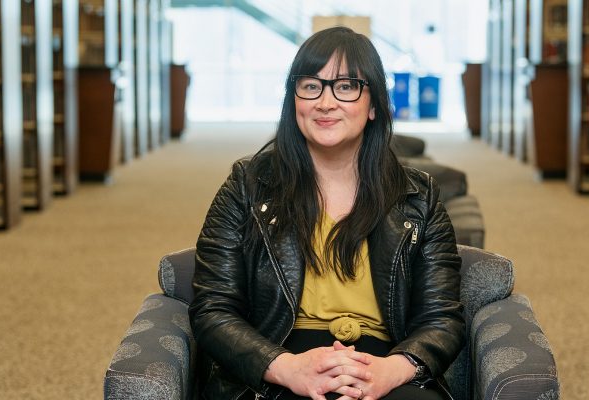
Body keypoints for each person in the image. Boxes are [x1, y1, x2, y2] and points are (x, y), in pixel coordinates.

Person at [189, 26, 464, 400]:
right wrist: (287, 368)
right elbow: (212, 309)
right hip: (278, 363)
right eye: (311, 86)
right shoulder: (247, 184)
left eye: (346, 86)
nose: (325, 102)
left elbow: (442, 318)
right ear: (294, 100)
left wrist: (391, 371)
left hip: (385, 367)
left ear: (374, 105)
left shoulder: (418, 196)